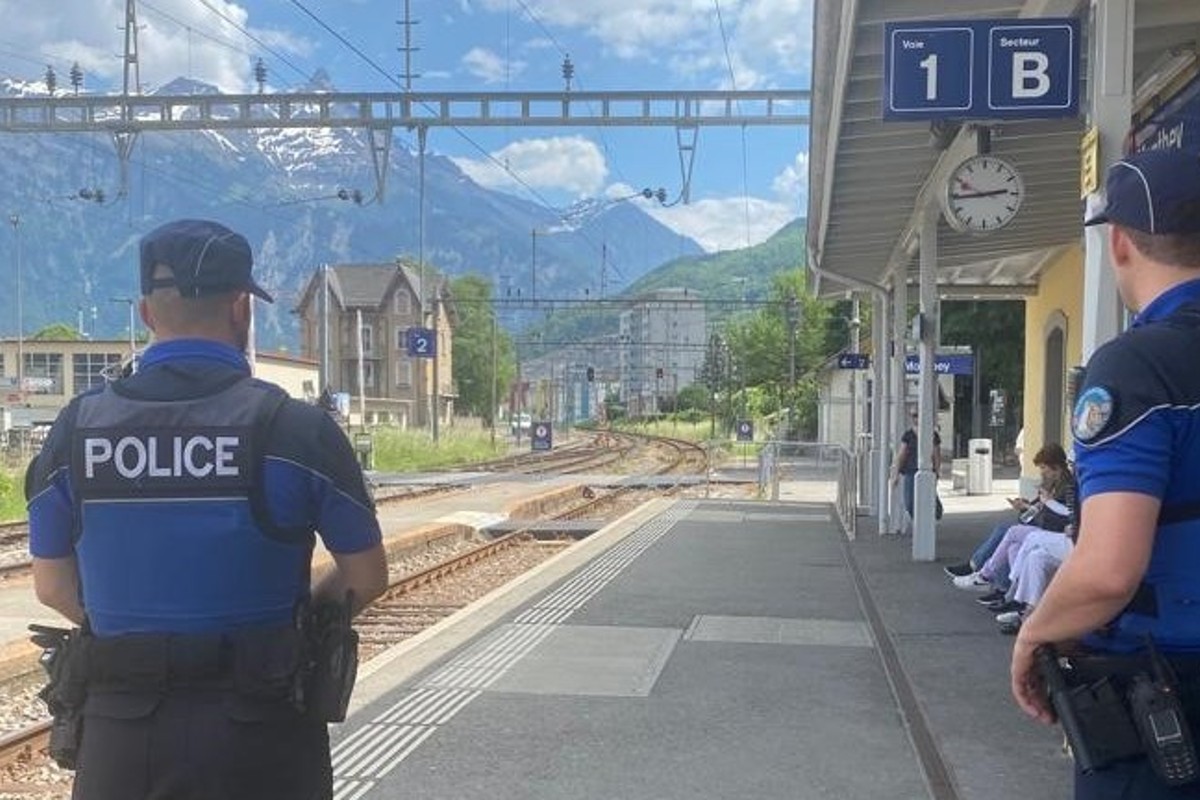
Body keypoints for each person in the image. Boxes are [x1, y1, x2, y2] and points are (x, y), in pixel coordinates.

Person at [26, 219, 389, 800]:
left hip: (121, 737)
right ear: (242, 309)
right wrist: (297, 614)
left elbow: (50, 587)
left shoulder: (76, 430)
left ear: (147, 313)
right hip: (265, 733)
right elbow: (366, 576)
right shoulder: (296, 429)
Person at [1010, 148, 1200, 798]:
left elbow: (1108, 572)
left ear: (1119, 243)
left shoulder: (1138, 368)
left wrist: (1035, 632)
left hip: (1169, 695)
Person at [945, 442, 1074, 587]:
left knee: (1009, 531)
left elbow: (1061, 516)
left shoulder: (1067, 487)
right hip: (1043, 527)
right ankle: (1005, 590)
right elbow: (1039, 507)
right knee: (1012, 545)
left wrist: (1037, 506)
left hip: (1052, 532)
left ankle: (980, 571)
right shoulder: (1051, 483)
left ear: (1056, 467)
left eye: (1044, 468)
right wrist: (1025, 506)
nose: (1041, 472)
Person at [888, 409, 943, 533]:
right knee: (909, 501)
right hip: (910, 472)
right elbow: (901, 455)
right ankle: (919, 521)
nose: (916, 418)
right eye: (914, 416)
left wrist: (938, 471)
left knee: (928, 497)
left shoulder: (932, 435)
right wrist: (895, 474)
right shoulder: (908, 435)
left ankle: (934, 511)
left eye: (918, 415)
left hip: (928, 471)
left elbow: (936, 455)